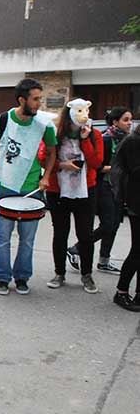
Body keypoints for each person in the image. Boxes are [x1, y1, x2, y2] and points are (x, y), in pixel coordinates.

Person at [0, 78, 57, 296]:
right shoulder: (2, 119)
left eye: (40, 99)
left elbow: (52, 152)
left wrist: (47, 177)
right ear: (22, 100)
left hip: (32, 188)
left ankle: (22, 277)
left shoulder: (44, 124)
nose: (38, 104)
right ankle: (2, 277)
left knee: (28, 238)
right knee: (3, 238)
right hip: (3, 185)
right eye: (35, 99)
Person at [45, 99, 103, 294]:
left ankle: (86, 275)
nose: (83, 117)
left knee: (85, 234)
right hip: (58, 190)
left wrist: (85, 140)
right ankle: (59, 272)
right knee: (60, 233)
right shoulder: (56, 134)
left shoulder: (93, 134)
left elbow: (96, 162)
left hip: (86, 190)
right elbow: (43, 159)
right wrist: (63, 166)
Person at [67, 106, 134, 274]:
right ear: (115, 122)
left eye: (131, 120)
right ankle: (76, 248)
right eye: (126, 120)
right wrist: (118, 168)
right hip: (104, 186)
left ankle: (104, 261)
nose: (129, 123)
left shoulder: (128, 140)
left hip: (120, 187)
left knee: (115, 225)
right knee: (108, 224)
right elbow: (96, 166)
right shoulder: (105, 139)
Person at [110, 122, 140, 311]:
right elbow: (136, 172)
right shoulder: (133, 141)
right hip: (137, 202)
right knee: (137, 250)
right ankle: (121, 292)